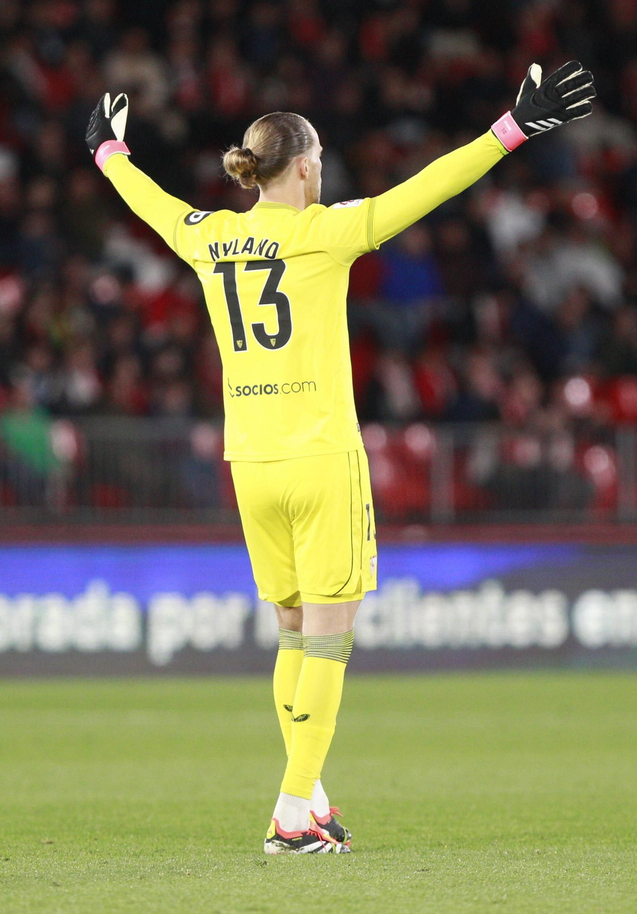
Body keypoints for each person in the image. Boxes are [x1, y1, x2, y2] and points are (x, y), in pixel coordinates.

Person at [85, 61, 596, 854]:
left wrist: (108, 154)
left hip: (249, 463)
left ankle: (310, 796)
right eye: (319, 160)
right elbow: (426, 190)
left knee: (292, 635)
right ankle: (292, 814)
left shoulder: (210, 237)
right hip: (321, 459)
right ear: (304, 165)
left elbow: (152, 205)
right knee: (328, 639)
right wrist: (512, 128)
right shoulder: (324, 234)